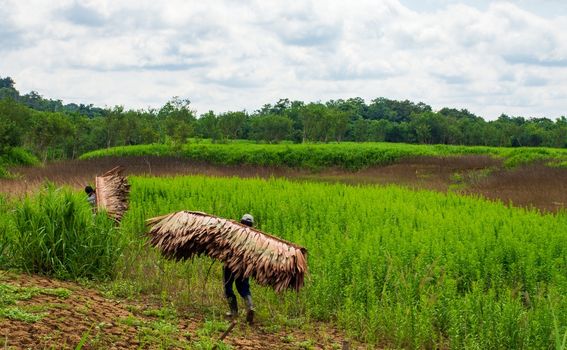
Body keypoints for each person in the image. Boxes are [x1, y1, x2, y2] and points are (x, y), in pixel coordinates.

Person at [224, 213, 255, 324]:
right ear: (252, 225)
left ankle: (234, 312)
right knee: (244, 288)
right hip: (245, 266)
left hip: (230, 264)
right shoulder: (256, 237)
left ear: (241, 222)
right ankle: (250, 306)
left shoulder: (234, 231)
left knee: (228, 286)